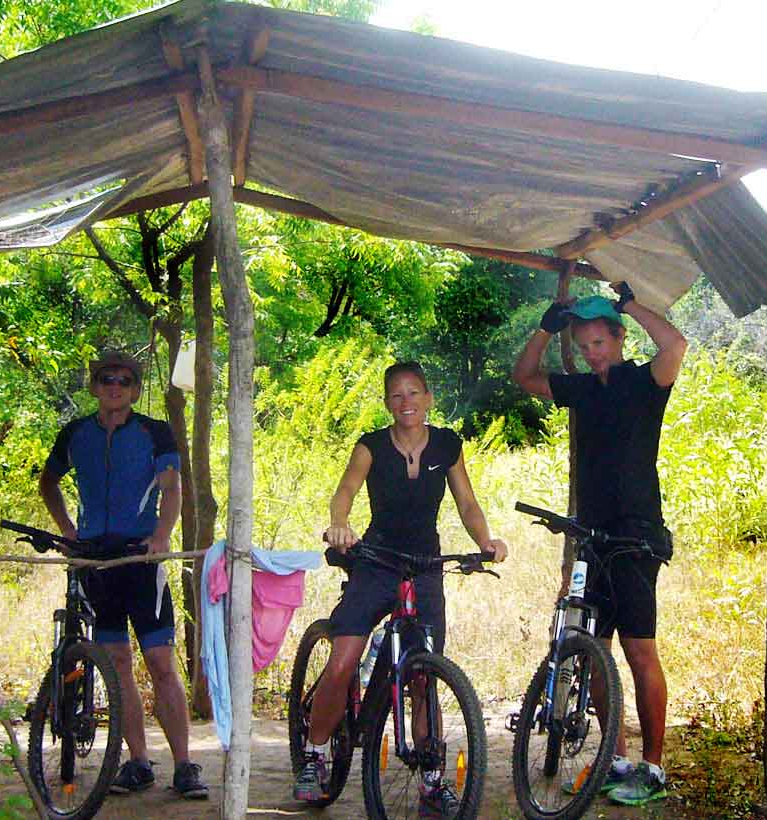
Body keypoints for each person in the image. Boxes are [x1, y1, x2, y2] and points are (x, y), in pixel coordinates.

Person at [294, 361, 510, 817]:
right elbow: (345, 491)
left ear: (429, 399)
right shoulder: (371, 445)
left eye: (414, 393)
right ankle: (313, 755)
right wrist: (339, 525)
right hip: (375, 560)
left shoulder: (448, 445)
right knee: (344, 657)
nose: (406, 401)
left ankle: (432, 781)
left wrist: (485, 541)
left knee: (423, 674)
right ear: (387, 403)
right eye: (396, 395)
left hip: (426, 564)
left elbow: (467, 502)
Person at [511, 282, 687, 806]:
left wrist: (629, 302)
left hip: (635, 536)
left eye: (599, 343)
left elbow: (675, 345)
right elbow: (524, 377)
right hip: (592, 537)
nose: (592, 353)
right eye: (584, 346)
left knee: (639, 650)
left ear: (618, 337)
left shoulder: (644, 381)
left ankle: (653, 768)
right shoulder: (581, 389)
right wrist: (546, 326)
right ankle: (615, 757)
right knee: (597, 655)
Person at [39, 349, 207, 800]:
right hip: (95, 560)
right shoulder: (75, 434)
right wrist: (69, 533)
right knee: (116, 664)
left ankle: (185, 765)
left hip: (140, 559)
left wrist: (161, 535)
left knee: (159, 662)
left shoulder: (154, 432)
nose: (115, 387)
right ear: (94, 386)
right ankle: (137, 762)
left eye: (124, 381)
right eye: (106, 379)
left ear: (134, 390)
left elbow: (172, 487)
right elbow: (48, 482)